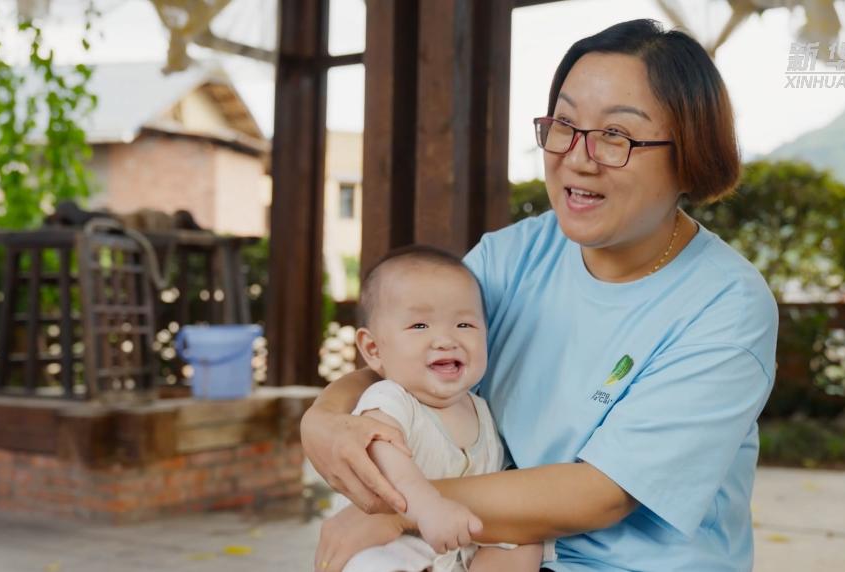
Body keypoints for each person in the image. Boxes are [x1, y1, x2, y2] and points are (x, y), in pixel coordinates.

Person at [305, 18, 778, 572]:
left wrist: (405, 508)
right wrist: (325, 418)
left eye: (616, 135)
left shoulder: (727, 306)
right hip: (490, 550)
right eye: (565, 125)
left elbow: (601, 493)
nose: (578, 157)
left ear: (690, 155)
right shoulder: (513, 257)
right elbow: (408, 358)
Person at [333, 245, 544, 572]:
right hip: (392, 543)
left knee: (526, 542)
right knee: (370, 564)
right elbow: (382, 455)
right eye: (420, 326)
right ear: (373, 349)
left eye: (464, 325)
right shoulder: (389, 400)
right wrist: (427, 506)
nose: (446, 340)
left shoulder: (481, 410)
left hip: (461, 549)